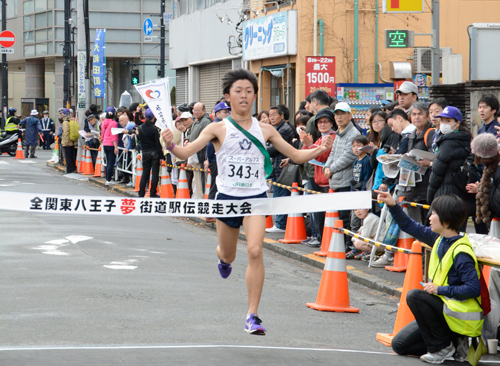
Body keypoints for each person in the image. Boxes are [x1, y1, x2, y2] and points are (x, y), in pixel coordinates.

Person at [161, 68, 333, 335]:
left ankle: (252, 315)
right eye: (238, 91)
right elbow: (185, 152)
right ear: (228, 96)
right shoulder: (216, 128)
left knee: (254, 251)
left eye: (249, 91)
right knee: (228, 253)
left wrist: (319, 149)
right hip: (227, 197)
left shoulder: (265, 129)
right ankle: (223, 258)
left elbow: (296, 156)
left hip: (256, 198)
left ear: (255, 96)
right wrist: (170, 145)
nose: (244, 96)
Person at [377, 190, 483, 364]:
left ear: (446, 220)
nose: (429, 217)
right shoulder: (439, 238)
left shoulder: (461, 252)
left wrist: (438, 289)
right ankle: (453, 345)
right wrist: (392, 205)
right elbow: (409, 225)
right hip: (444, 310)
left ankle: (442, 347)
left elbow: (473, 288)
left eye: (434, 214)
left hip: (459, 315)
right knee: (400, 345)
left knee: (415, 296)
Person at [427, 106, 473, 231]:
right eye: (442, 121)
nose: (444, 124)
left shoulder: (449, 142)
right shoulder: (465, 138)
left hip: (445, 194)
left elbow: (437, 172)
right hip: (459, 194)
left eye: (448, 121)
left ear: (457, 123)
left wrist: (429, 197)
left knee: (444, 232)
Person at [324, 102, 361, 250]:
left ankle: (347, 245)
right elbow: (333, 153)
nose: (339, 117)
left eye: (342, 114)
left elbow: (349, 156)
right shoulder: (339, 132)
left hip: (346, 181)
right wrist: (327, 166)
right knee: (339, 216)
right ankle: (342, 245)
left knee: (346, 217)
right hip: (336, 180)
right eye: (337, 114)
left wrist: (330, 169)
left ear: (350, 116)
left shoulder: (354, 134)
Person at [300, 108, 337, 247]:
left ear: (331, 123)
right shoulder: (321, 138)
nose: (322, 125)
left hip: (328, 181)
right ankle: (321, 239)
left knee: (326, 215)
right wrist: (307, 145)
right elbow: (306, 154)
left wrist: (310, 146)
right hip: (319, 180)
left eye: (326, 122)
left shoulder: (331, 137)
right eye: (320, 122)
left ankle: (325, 241)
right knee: (319, 214)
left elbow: (322, 155)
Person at [265, 105, 295, 233]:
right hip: (278, 166)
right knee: (278, 194)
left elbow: (275, 149)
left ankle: (281, 224)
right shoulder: (277, 128)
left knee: (281, 195)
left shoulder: (283, 130)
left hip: (282, 166)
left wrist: (262, 150)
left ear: (282, 116)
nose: (271, 117)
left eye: (274, 115)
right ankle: (279, 222)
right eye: (270, 115)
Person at [206, 101, 231, 204]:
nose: (227, 114)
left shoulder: (224, 125)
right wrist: (211, 160)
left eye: (228, 112)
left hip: (220, 160)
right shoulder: (216, 126)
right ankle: (211, 208)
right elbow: (210, 146)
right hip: (216, 160)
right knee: (215, 186)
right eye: (224, 112)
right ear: (217, 114)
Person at [137, 109, 164, 198]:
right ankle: (153, 193)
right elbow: (157, 144)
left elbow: (140, 141)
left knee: (145, 173)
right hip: (154, 153)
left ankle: (141, 193)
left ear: (145, 117)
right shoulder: (154, 129)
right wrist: (161, 156)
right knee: (155, 173)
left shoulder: (140, 128)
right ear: (153, 117)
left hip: (145, 152)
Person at [188, 102, 212, 199]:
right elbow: (190, 135)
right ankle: (200, 200)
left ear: (204, 110)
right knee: (197, 181)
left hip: (201, 156)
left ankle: (203, 202)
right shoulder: (196, 121)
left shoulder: (206, 122)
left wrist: (206, 157)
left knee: (202, 182)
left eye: (198, 110)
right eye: (194, 110)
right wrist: (187, 140)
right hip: (195, 155)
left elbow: (206, 140)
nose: (196, 112)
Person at [100, 107, 119, 185]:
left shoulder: (104, 122)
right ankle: (109, 179)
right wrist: (115, 147)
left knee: (108, 161)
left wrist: (102, 139)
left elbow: (102, 134)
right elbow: (113, 136)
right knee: (111, 162)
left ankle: (108, 178)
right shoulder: (114, 123)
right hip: (111, 144)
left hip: (105, 143)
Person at [61, 109, 77, 173]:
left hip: (67, 142)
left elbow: (65, 133)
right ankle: (73, 168)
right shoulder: (71, 121)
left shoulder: (65, 122)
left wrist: (66, 142)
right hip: (72, 141)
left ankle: (69, 170)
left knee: (68, 157)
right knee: (72, 156)